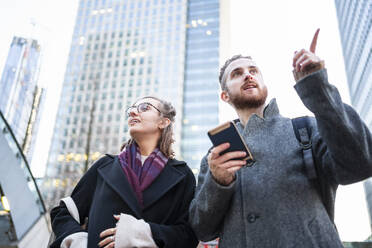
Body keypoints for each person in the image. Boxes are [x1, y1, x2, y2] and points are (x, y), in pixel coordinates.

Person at [189, 29, 372, 247]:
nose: (248, 75)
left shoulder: (306, 129)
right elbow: (202, 228)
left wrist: (317, 86)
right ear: (224, 95)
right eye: (236, 73)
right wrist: (218, 183)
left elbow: (360, 164)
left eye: (253, 71)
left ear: (264, 83)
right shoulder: (214, 158)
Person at [50, 96, 198, 248]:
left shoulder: (183, 175)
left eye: (144, 108)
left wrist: (146, 233)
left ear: (163, 122)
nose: (133, 112)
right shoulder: (104, 166)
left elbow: (188, 235)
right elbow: (62, 213)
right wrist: (78, 241)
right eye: (131, 109)